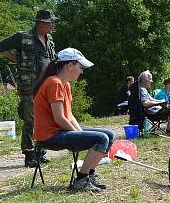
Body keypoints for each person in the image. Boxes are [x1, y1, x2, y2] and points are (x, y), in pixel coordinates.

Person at [33, 48, 114, 192]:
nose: (81, 72)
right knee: (101, 138)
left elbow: (69, 115)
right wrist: (80, 134)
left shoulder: (66, 84)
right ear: (70, 65)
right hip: (49, 135)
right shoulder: (54, 83)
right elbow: (59, 118)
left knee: (109, 135)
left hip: (60, 131)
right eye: (80, 67)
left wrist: (80, 133)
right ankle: (81, 180)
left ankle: (89, 176)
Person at [0, 9, 58, 168]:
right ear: (41, 23)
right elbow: (0, 47)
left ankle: (40, 150)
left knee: (44, 118)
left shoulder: (49, 38)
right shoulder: (22, 36)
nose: (53, 25)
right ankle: (29, 154)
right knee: (30, 119)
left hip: (46, 85)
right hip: (29, 85)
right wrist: (18, 59)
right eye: (51, 22)